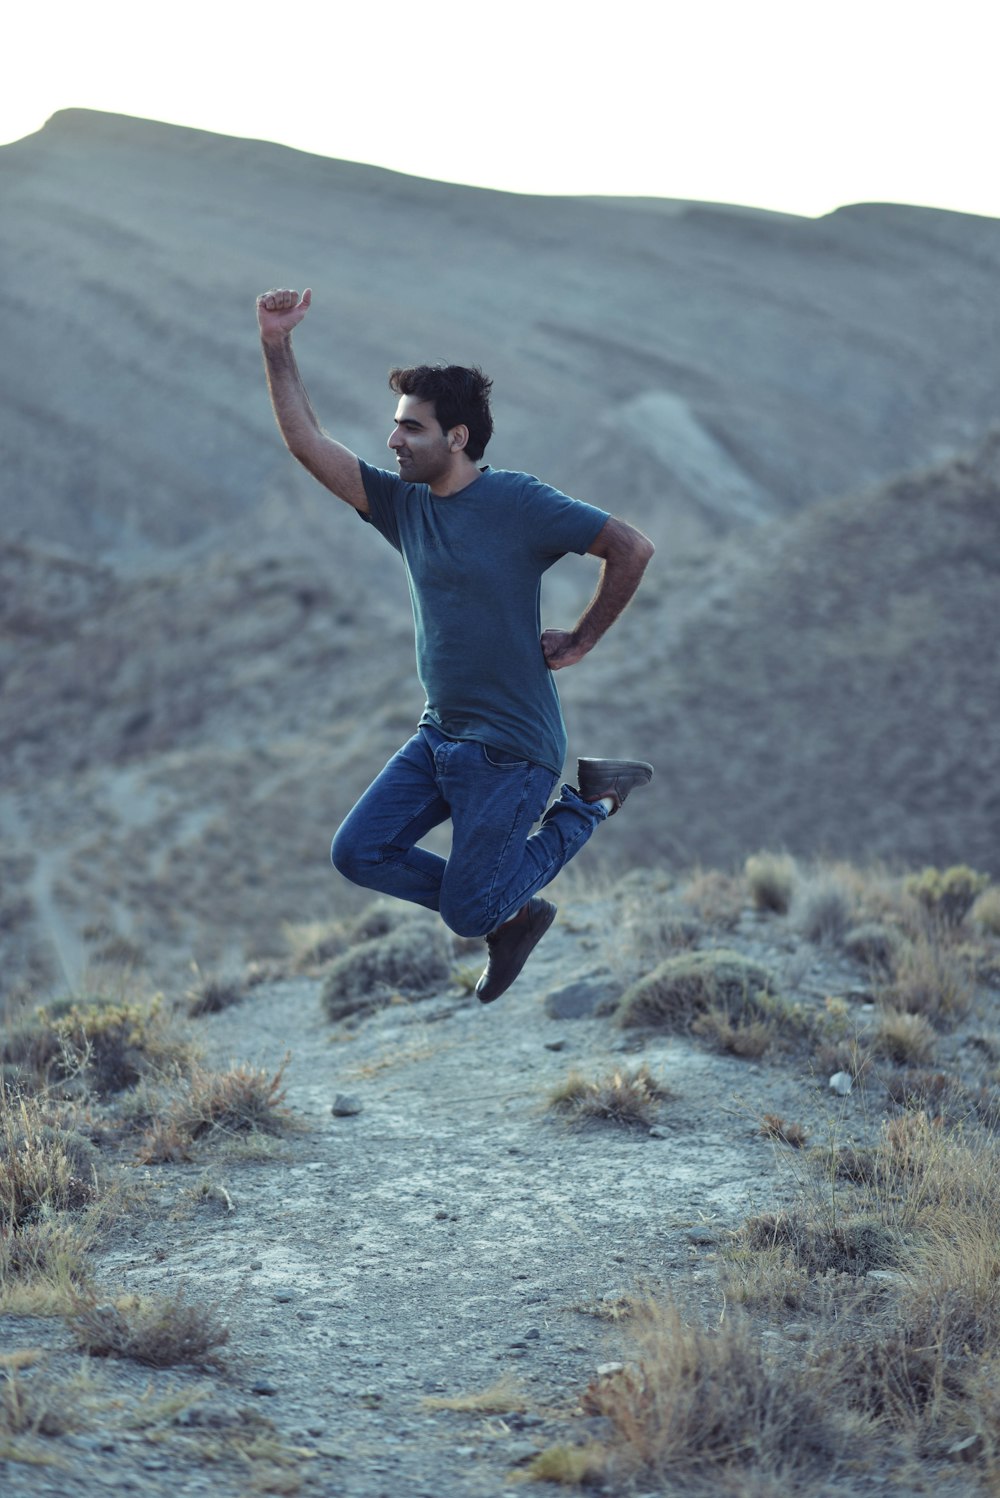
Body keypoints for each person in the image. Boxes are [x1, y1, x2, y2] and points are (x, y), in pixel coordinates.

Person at [257, 286, 655, 1004]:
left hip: (511, 750)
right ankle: (509, 908)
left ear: (458, 438)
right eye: (396, 425)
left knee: (466, 911)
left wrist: (585, 636)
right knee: (359, 853)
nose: (394, 440)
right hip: (440, 737)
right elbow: (308, 443)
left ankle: (591, 802)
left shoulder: (519, 503)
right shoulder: (402, 507)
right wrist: (276, 345)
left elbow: (630, 547)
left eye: (411, 427)